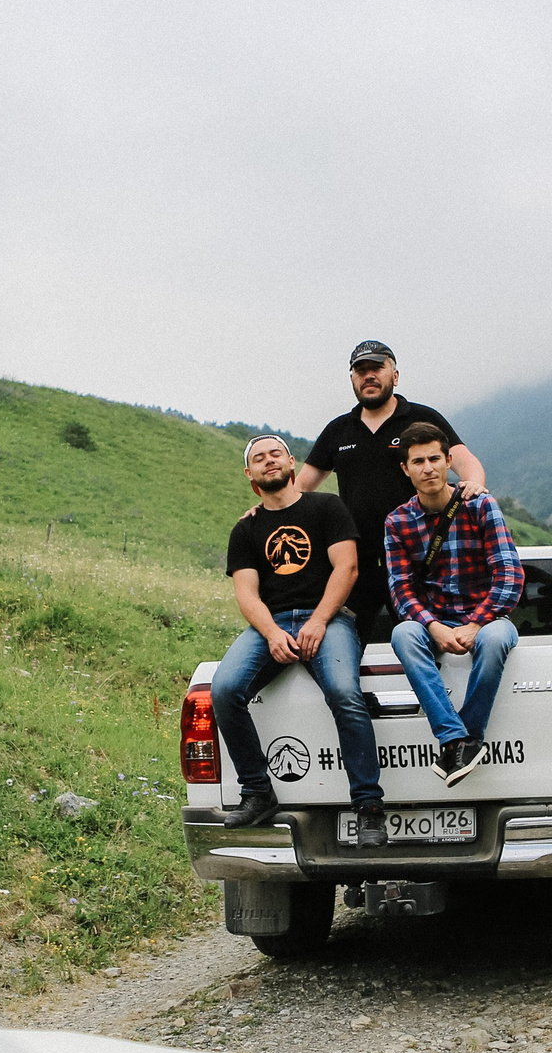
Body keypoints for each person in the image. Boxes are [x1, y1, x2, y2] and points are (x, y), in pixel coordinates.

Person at [210, 434, 389, 845]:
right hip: (270, 624)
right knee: (224, 689)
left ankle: (368, 807)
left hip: (327, 621)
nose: (268, 461)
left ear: (292, 462)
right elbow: (246, 594)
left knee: (346, 693)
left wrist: (319, 622)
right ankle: (257, 791)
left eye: (276, 454)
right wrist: (272, 633)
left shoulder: (327, 507)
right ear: (249, 474)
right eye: (259, 458)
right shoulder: (246, 529)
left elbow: (347, 569)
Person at [292, 340, 486, 648]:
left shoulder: (423, 418)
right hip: (358, 565)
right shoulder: (339, 430)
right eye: (360, 370)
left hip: (421, 560)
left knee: (431, 649)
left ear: (394, 375)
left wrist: (474, 484)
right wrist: (263, 510)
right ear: (352, 379)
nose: (368, 375)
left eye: (376, 368)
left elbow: (463, 462)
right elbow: (299, 488)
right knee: (350, 652)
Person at [382, 423, 524, 787]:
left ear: (448, 461)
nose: (428, 468)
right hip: (436, 620)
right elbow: (401, 590)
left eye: (434, 459)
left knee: (494, 641)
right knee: (403, 634)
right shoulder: (397, 522)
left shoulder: (479, 505)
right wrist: (434, 626)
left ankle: (464, 738)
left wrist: (475, 624)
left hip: (489, 616)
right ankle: (455, 737)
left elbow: (510, 575)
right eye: (418, 461)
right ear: (405, 469)